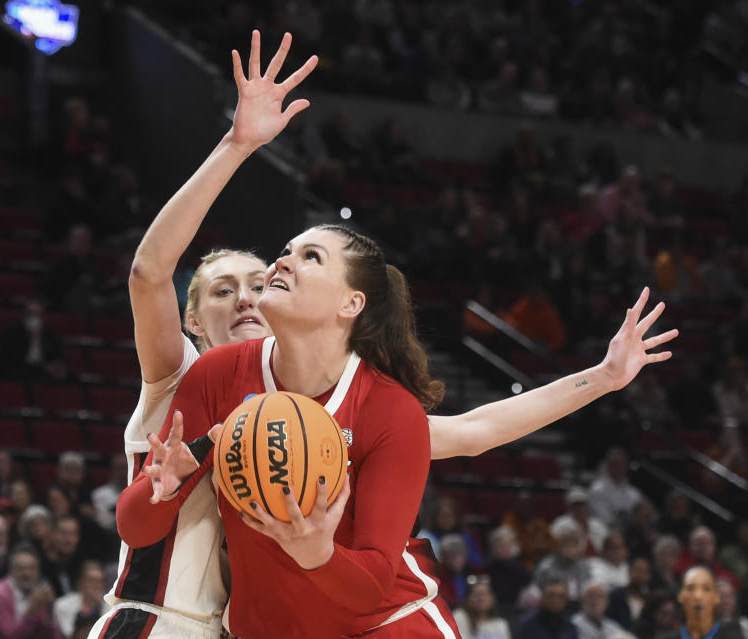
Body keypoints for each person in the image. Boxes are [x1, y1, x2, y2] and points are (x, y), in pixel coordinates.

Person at [104, 30, 679, 639]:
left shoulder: (383, 407)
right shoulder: (213, 376)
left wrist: (606, 377)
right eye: (286, 251)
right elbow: (135, 520)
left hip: (383, 621)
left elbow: (472, 435)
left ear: (353, 303)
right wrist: (164, 485)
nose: (280, 264)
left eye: (310, 257)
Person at [0, 544, 60, 639]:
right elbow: (11, 636)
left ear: (38, 571)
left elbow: (52, 636)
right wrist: (33, 609)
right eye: (21, 568)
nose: (27, 574)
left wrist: (50, 610)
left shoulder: (40, 592)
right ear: (11, 570)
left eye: (32, 568)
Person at [655, 567, 744, 639]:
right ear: (681, 596)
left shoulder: (733, 636)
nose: (698, 596)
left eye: (706, 589)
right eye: (691, 588)